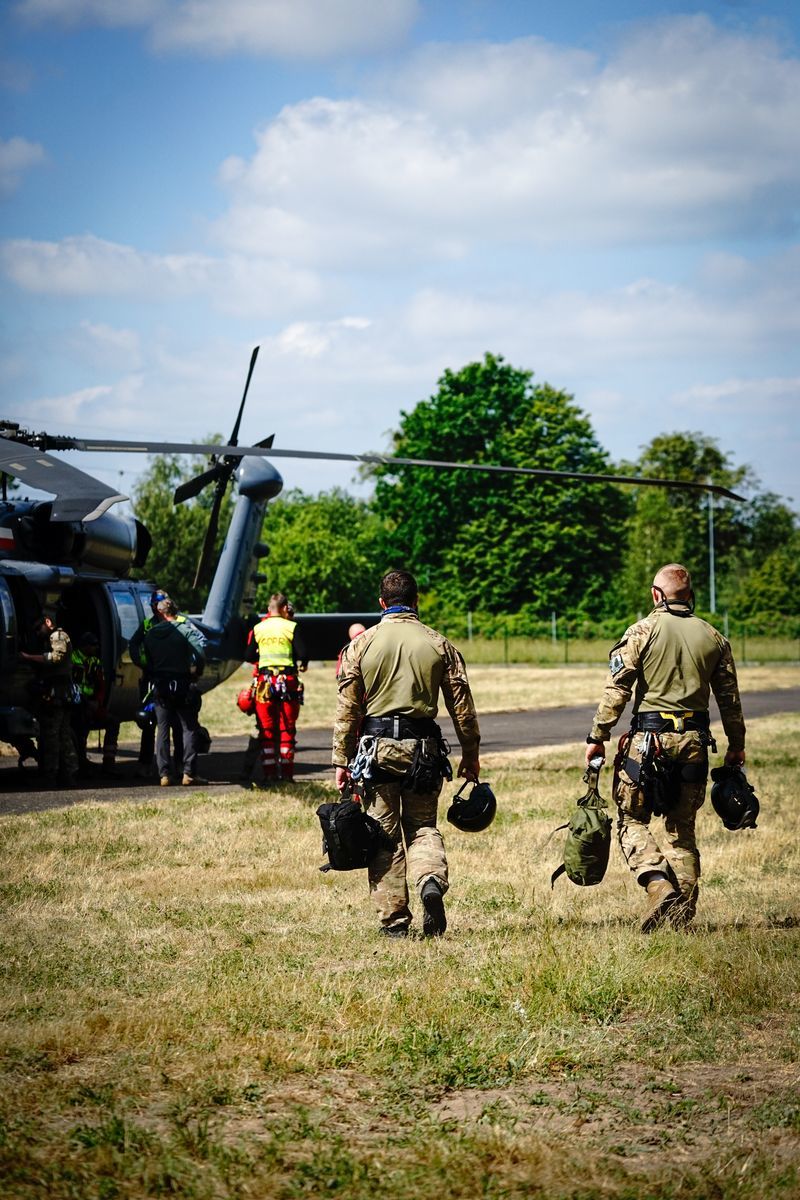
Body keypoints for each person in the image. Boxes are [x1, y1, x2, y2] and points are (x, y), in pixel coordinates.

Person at [584, 563, 746, 932]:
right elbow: (730, 700)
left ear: (656, 595)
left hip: (649, 742)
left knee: (631, 820)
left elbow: (618, 690)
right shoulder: (714, 637)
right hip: (694, 742)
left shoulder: (642, 631)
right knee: (681, 828)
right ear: (690, 596)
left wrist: (598, 736)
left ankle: (658, 885)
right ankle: (682, 914)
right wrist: (737, 745)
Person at [332, 569, 481, 938]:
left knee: (383, 834)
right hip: (424, 751)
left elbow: (348, 710)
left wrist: (340, 759)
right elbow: (462, 707)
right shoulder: (439, 644)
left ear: (381, 603)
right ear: (416, 601)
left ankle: (395, 921)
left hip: (377, 751)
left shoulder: (360, 646)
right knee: (423, 827)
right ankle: (430, 880)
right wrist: (470, 752)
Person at [130, 597, 207, 786]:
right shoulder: (184, 630)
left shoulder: (152, 633)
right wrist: (197, 671)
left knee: (162, 730)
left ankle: (164, 774)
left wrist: (148, 668)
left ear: (160, 613)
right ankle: (188, 772)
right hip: (181, 684)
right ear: (175, 611)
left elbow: (143, 652)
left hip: (159, 685)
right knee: (188, 728)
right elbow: (200, 652)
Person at [245, 593, 308, 783]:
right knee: (287, 728)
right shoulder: (291, 627)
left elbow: (248, 655)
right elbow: (303, 652)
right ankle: (287, 775)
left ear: (268, 608)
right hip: (287, 682)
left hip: (265, 684)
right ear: (283, 608)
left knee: (267, 729)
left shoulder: (258, 628)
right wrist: (302, 663)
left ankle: (269, 773)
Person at [130, 590, 187, 778]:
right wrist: (141, 663)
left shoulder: (177, 622)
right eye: (155, 605)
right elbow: (133, 645)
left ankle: (178, 763)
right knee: (149, 722)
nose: (157, 608)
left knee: (177, 724)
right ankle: (145, 764)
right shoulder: (147, 625)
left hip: (173, 678)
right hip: (150, 678)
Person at [20, 614, 79, 787]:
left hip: (58, 695)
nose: (38, 632)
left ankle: (56, 774)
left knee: (54, 735)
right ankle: (65, 773)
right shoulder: (50, 639)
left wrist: (30, 658)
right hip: (58, 694)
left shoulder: (58, 636)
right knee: (61, 735)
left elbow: (56, 657)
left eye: (39, 628)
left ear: (48, 622)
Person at [71, 631, 120, 777]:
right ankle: (79, 763)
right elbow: (71, 684)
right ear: (85, 646)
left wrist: (97, 702)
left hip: (91, 703)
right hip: (76, 704)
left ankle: (109, 763)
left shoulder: (95, 662)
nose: (96, 648)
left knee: (113, 722)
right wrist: (85, 703)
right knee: (80, 726)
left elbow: (101, 686)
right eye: (93, 645)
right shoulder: (72, 659)